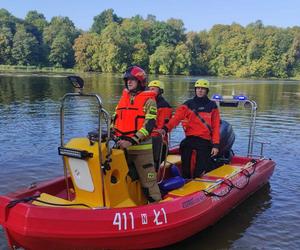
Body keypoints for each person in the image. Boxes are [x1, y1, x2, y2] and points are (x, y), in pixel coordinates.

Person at [112, 66, 162, 202]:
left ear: (140, 81)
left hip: (141, 150)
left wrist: (132, 141)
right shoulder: (123, 99)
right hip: (122, 147)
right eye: (127, 80)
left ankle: (156, 205)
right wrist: (110, 133)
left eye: (132, 79)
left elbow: (149, 126)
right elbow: (114, 119)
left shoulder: (150, 101)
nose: (129, 82)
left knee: (149, 184)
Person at [161, 79, 220, 179]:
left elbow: (216, 126)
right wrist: (165, 129)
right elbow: (176, 118)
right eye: (198, 88)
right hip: (190, 138)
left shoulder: (212, 106)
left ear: (207, 91)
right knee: (185, 164)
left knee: (199, 170)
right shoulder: (188, 104)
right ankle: (186, 181)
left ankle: (198, 179)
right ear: (195, 90)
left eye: (203, 89)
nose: (200, 91)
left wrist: (216, 145)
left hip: (204, 140)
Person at [148, 80, 172, 170]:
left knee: (153, 164)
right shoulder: (148, 103)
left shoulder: (164, 106)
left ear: (160, 91)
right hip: (147, 137)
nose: (150, 91)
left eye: (153, 89)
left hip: (157, 141)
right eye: (149, 89)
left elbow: (160, 128)